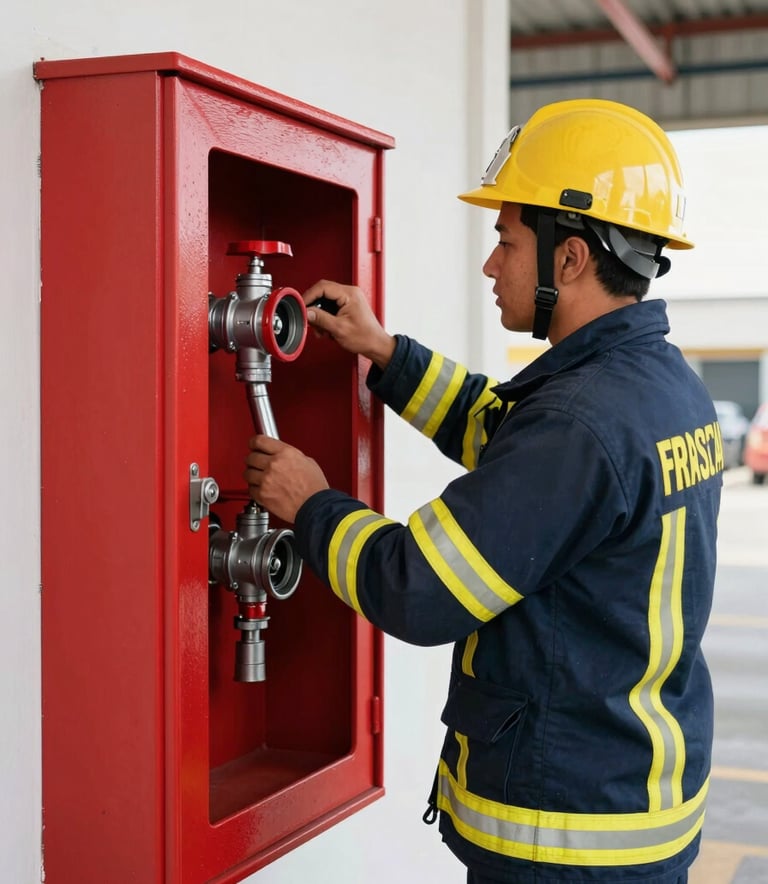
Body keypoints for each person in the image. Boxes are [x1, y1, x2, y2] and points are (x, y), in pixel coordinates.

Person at [244, 99, 722, 883]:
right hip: (631, 810)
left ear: (569, 259)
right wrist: (385, 353)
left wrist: (313, 505)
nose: (490, 265)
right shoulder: (658, 387)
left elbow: (421, 588)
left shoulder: (582, 422)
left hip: (565, 842)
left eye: (505, 242)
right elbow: (503, 438)